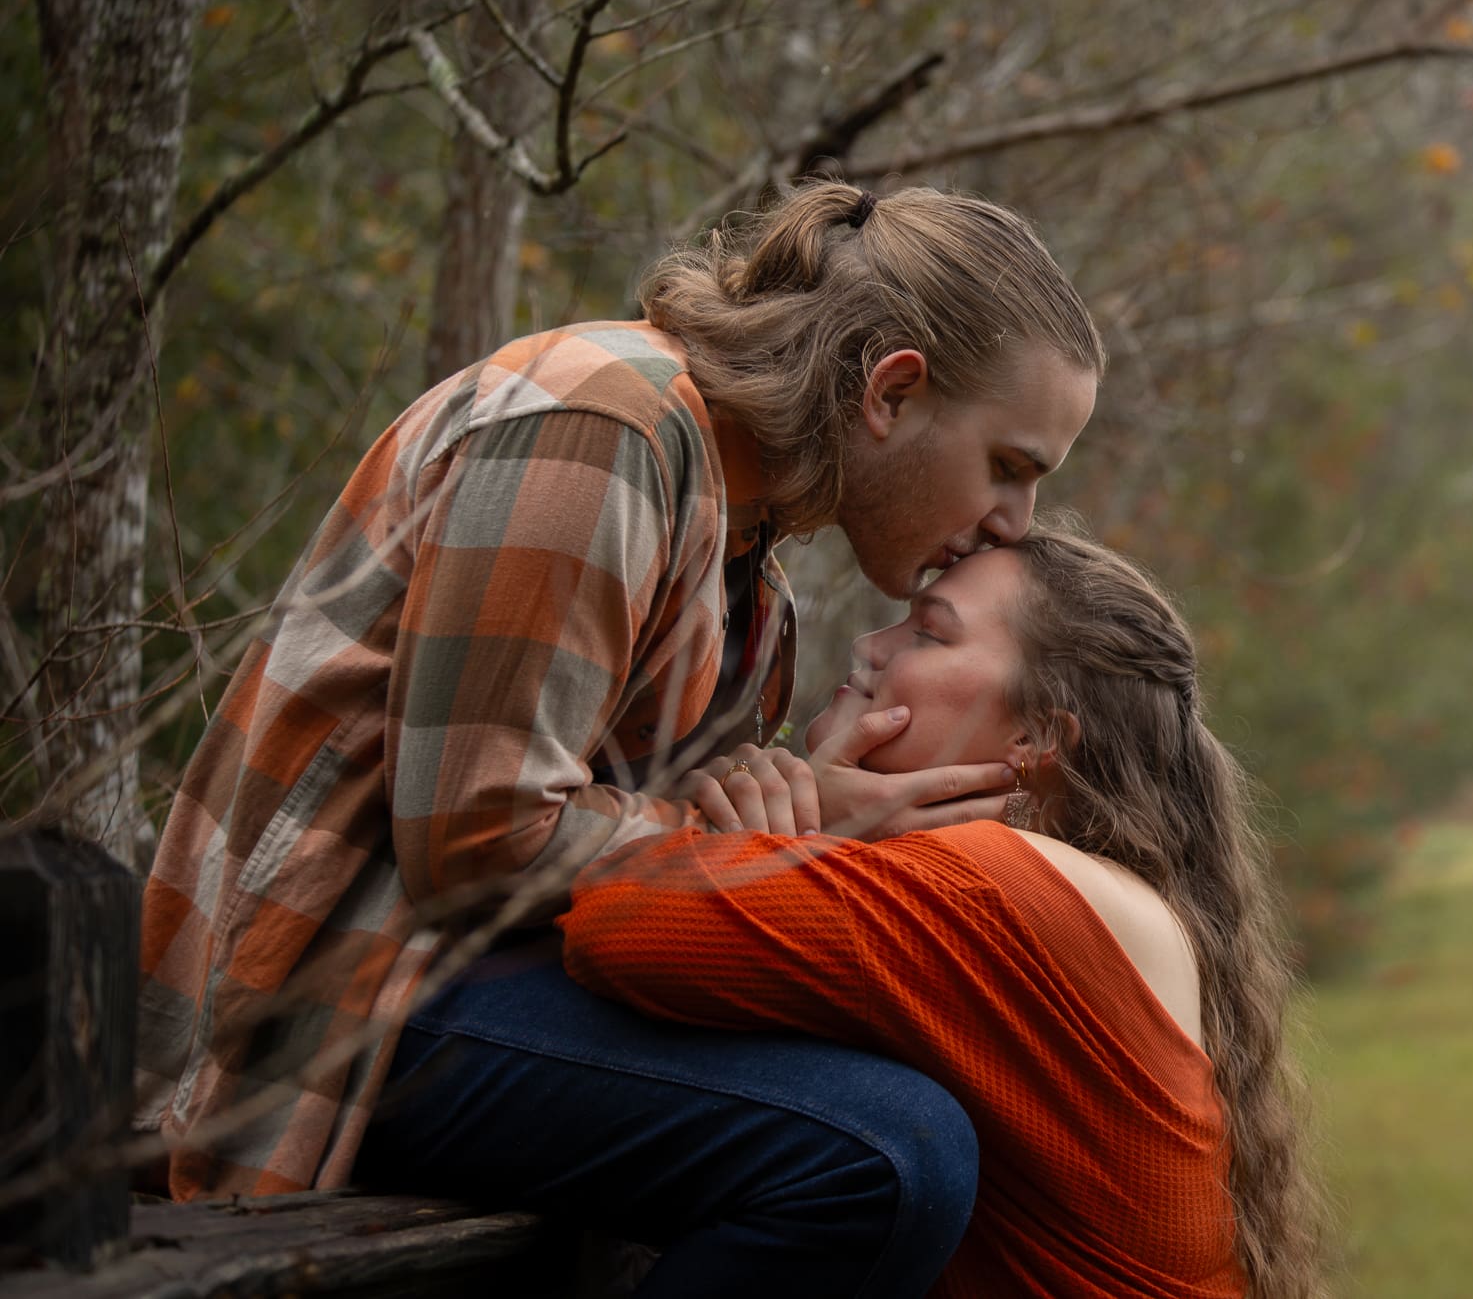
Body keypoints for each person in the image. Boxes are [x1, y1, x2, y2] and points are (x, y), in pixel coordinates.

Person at [134, 182, 1103, 1292]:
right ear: (892, 391)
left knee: (929, 1092)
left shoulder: (753, 567)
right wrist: (781, 840)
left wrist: (770, 813)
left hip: (481, 988)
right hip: (339, 1005)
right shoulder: (602, 424)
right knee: (886, 1156)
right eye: (1011, 467)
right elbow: (476, 839)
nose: (1014, 524)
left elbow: (645, 847)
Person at [544, 525, 1327, 1299]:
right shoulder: (1099, 897)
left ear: (1037, 734)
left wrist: (784, 825)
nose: (870, 647)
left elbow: (616, 920)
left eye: (927, 632)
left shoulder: (997, 891)